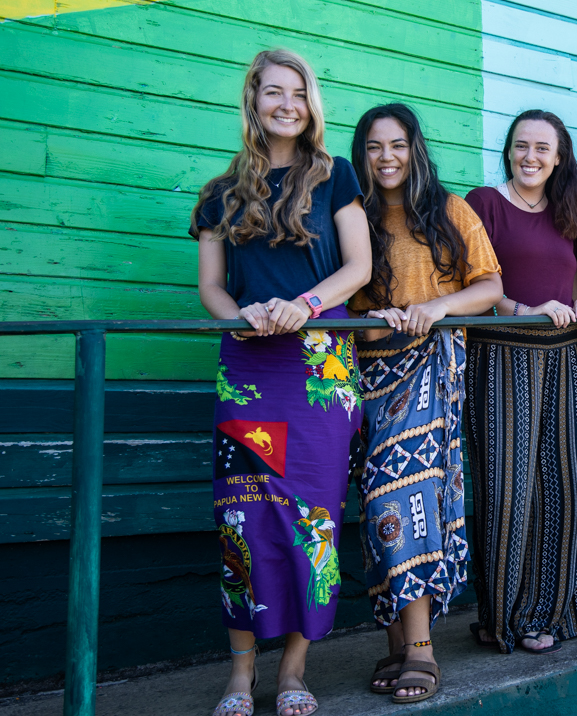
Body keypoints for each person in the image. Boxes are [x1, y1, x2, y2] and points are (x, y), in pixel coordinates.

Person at [191, 49, 371, 716]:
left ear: (311, 102)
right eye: (273, 92)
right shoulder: (218, 192)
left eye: (298, 92)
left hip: (319, 371)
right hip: (248, 373)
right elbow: (210, 287)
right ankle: (241, 676)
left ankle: (294, 671)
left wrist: (306, 306)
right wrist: (238, 316)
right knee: (242, 522)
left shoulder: (337, 177)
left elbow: (358, 267)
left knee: (312, 522)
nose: (287, 104)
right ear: (253, 101)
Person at [348, 103, 503, 704]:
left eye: (398, 145)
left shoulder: (448, 209)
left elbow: (490, 286)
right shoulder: (353, 216)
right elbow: (344, 301)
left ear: (416, 149)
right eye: (374, 147)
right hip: (365, 375)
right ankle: (396, 641)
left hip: (432, 370)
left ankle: (420, 649)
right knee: (376, 498)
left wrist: (437, 308)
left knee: (407, 492)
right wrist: (370, 321)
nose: (386, 157)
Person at [464, 110, 577, 654]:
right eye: (522, 146)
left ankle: (552, 612)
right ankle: (503, 619)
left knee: (564, 486)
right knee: (507, 488)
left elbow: (574, 281)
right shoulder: (484, 203)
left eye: (543, 148)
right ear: (509, 151)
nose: (531, 157)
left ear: (560, 155)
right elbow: (474, 280)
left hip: (564, 355)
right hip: (501, 353)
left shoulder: (571, 210)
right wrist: (525, 308)